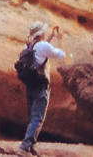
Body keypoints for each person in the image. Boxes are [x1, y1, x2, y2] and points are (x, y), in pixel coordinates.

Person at [19, 21, 66, 155]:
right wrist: (60, 39)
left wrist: (50, 37)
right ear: (41, 33)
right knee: (37, 118)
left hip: (30, 85)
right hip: (41, 86)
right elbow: (61, 55)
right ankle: (24, 147)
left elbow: (42, 50)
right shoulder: (43, 46)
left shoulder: (28, 46)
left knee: (32, 117)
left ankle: (30, 147)